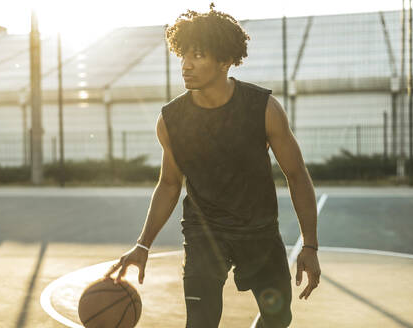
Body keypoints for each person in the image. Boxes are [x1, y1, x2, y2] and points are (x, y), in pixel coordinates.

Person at [105, 3, 321, 327]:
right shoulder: (171, 121)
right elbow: (168, 183)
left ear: (224, 61)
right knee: (200, 322)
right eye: (183, 55)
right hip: (205, 232)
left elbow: (296, 174)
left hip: (258, 230)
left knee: (278, 318)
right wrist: (142, 244)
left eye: (198, 55)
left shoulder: (263, 109)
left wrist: (310, 245)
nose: (186, 65)